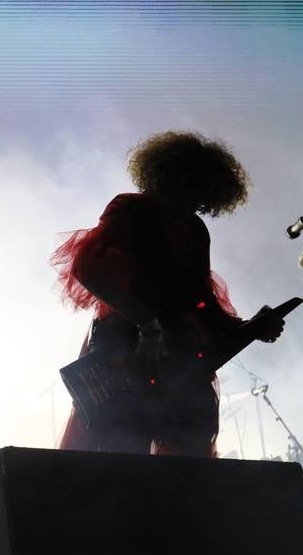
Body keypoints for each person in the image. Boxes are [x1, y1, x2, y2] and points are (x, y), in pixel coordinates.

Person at [52, 131, 283, 457]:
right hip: (123, 350)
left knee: (187, 452)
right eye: (187, 190)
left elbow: (201, 301)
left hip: (176, 359)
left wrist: (249, 327)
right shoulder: (130, 209)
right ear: (167, 179)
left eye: (200, 197)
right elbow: (89, 270)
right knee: (121, 453)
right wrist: (147, 325)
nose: (191, 204)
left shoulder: (195, 230)